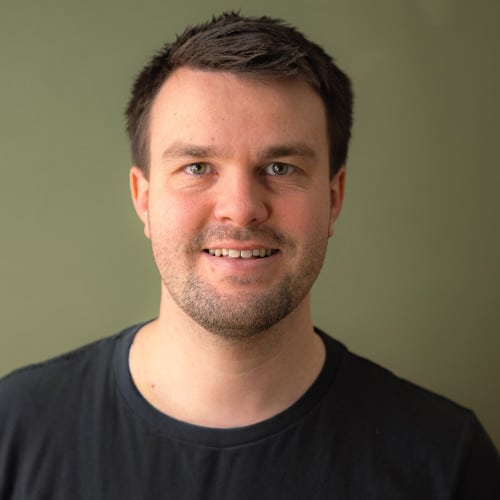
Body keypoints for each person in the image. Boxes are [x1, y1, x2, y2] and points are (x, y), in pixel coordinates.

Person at [0, 12, 499, 499]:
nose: (241, 209)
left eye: (280, 167)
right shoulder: (12, 432)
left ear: (334, 198)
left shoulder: (447, 463)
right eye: (197, 167)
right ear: (143, 199)